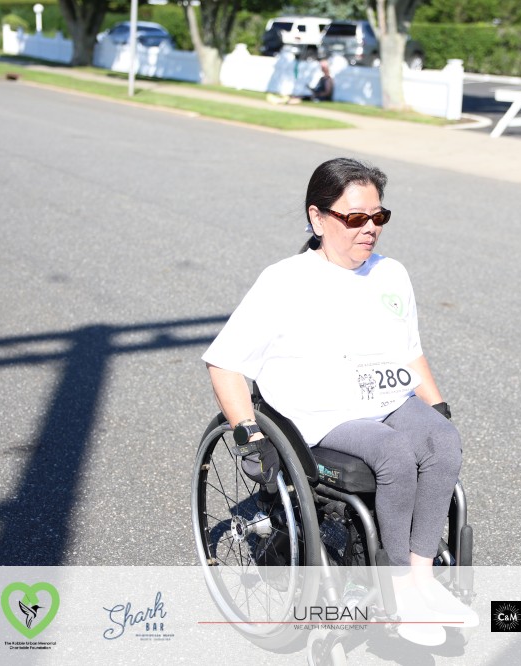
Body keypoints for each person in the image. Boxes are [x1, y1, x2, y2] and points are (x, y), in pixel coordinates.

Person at [203, 157, 477, 646]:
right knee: (393, 454)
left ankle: (422, 579)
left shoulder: (392, 274)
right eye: (355, 217)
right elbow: (224, 362)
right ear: (318, 218)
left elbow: (409, 351)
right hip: (322, 414)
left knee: (443, 442)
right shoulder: (285, 281)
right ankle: (397, 587)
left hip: (386, 397)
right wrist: (250, 435)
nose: (370, 228)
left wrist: (436, 408)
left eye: (378, 216)